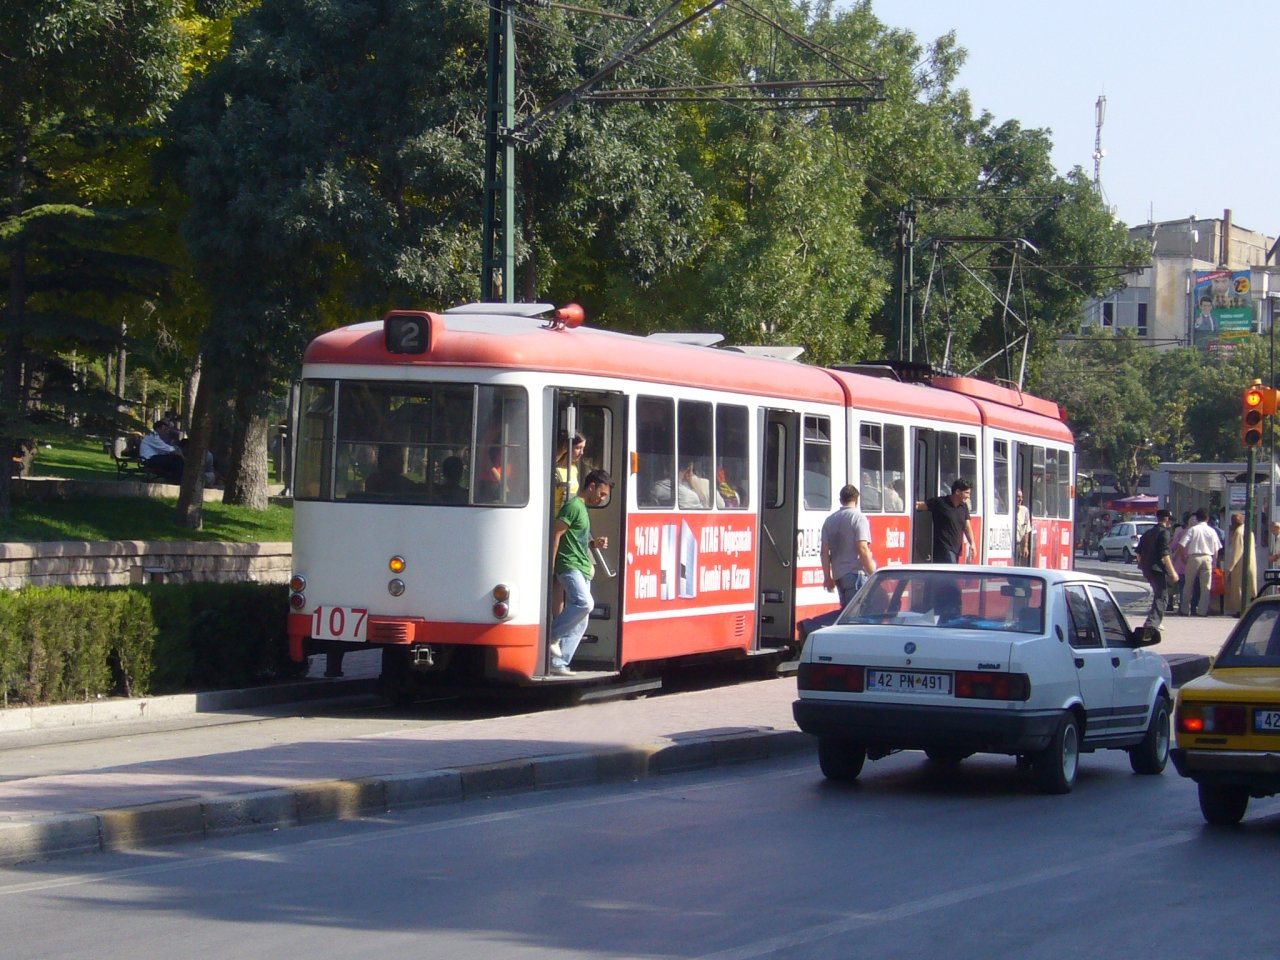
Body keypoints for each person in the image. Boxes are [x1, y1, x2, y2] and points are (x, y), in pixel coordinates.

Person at [548, 468, 612, 676]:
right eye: (601, 494)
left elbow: (577, 539)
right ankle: (551, 635)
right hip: (569, 564)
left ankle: (558, 663)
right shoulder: (573, 506)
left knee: (581, 619)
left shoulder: (582, 509)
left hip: (582, 565)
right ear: (591, 486)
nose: (602, 499)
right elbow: (557, 534)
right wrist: (551, 565)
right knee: (585, 603)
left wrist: (594, 543)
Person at [821, 484, 877, 609]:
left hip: (838, 575)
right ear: (857, 500)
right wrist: (873, 574)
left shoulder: (829, 520)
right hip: (855, 574)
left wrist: (827, 577)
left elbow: (824, 552)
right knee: (857, 615)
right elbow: (862, 548)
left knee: (845, 613)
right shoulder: (859, 518)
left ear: (841, 500)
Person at [1137, 509, 1178, 636]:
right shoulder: (1164, 533)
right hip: (1158, 569)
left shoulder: (1148, 533)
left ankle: (1156, 622)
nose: (1171, 523)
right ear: (1166, 519)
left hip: (1147, 568)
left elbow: (1138, 553)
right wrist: (1173, 572)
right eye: (1170, 520)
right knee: (1162, 597)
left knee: (1158, 594)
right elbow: (1165, 555)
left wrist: (1143, 565)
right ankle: (1152, 624)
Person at [916, 478, 976, 564]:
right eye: (967, 493)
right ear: (958, 492)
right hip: (943, 550)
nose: (968, 496)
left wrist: (972, 543)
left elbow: (967, 527)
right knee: (951, 575)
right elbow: (919, 506)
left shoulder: (963, 507)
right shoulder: (940, 502)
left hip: (956, 550)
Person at [1179, 508, 1223, 617]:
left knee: (1188, 584)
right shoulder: (1212, 531)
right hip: (1208, 557)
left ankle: (1185, 610)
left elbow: (1181, 544)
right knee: (1206, 586)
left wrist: (1183, 558)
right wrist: (1214, 563)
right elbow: (1216, 549)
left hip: (1194, 557)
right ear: (1207, 518)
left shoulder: (1193, 530)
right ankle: (1202, 611)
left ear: (1196, 518)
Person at [1223, 512, 1256, 617]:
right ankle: (1249, 608)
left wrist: (1230, 568)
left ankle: (1240, 609)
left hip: (1240, 564)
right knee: (1249, 587)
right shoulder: (1248, 530)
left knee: (1238, 587)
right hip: (1250, 563)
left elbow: (1237, 551)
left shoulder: (1238, 532)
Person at [553, 433, 585, 514]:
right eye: (578, 448)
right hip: (555, 515)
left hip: (568, 515)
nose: (581, 453)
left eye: (583, 448)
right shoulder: (555, 469)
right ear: (568, 447)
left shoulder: (574, 469)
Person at [1015, 488, 1032, 566]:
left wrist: (1025, 546)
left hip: (1018, 546)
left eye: (1021, 497)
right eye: (1018, 497)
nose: (1020, 499)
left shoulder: (1024, 511)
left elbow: (1026, 530)